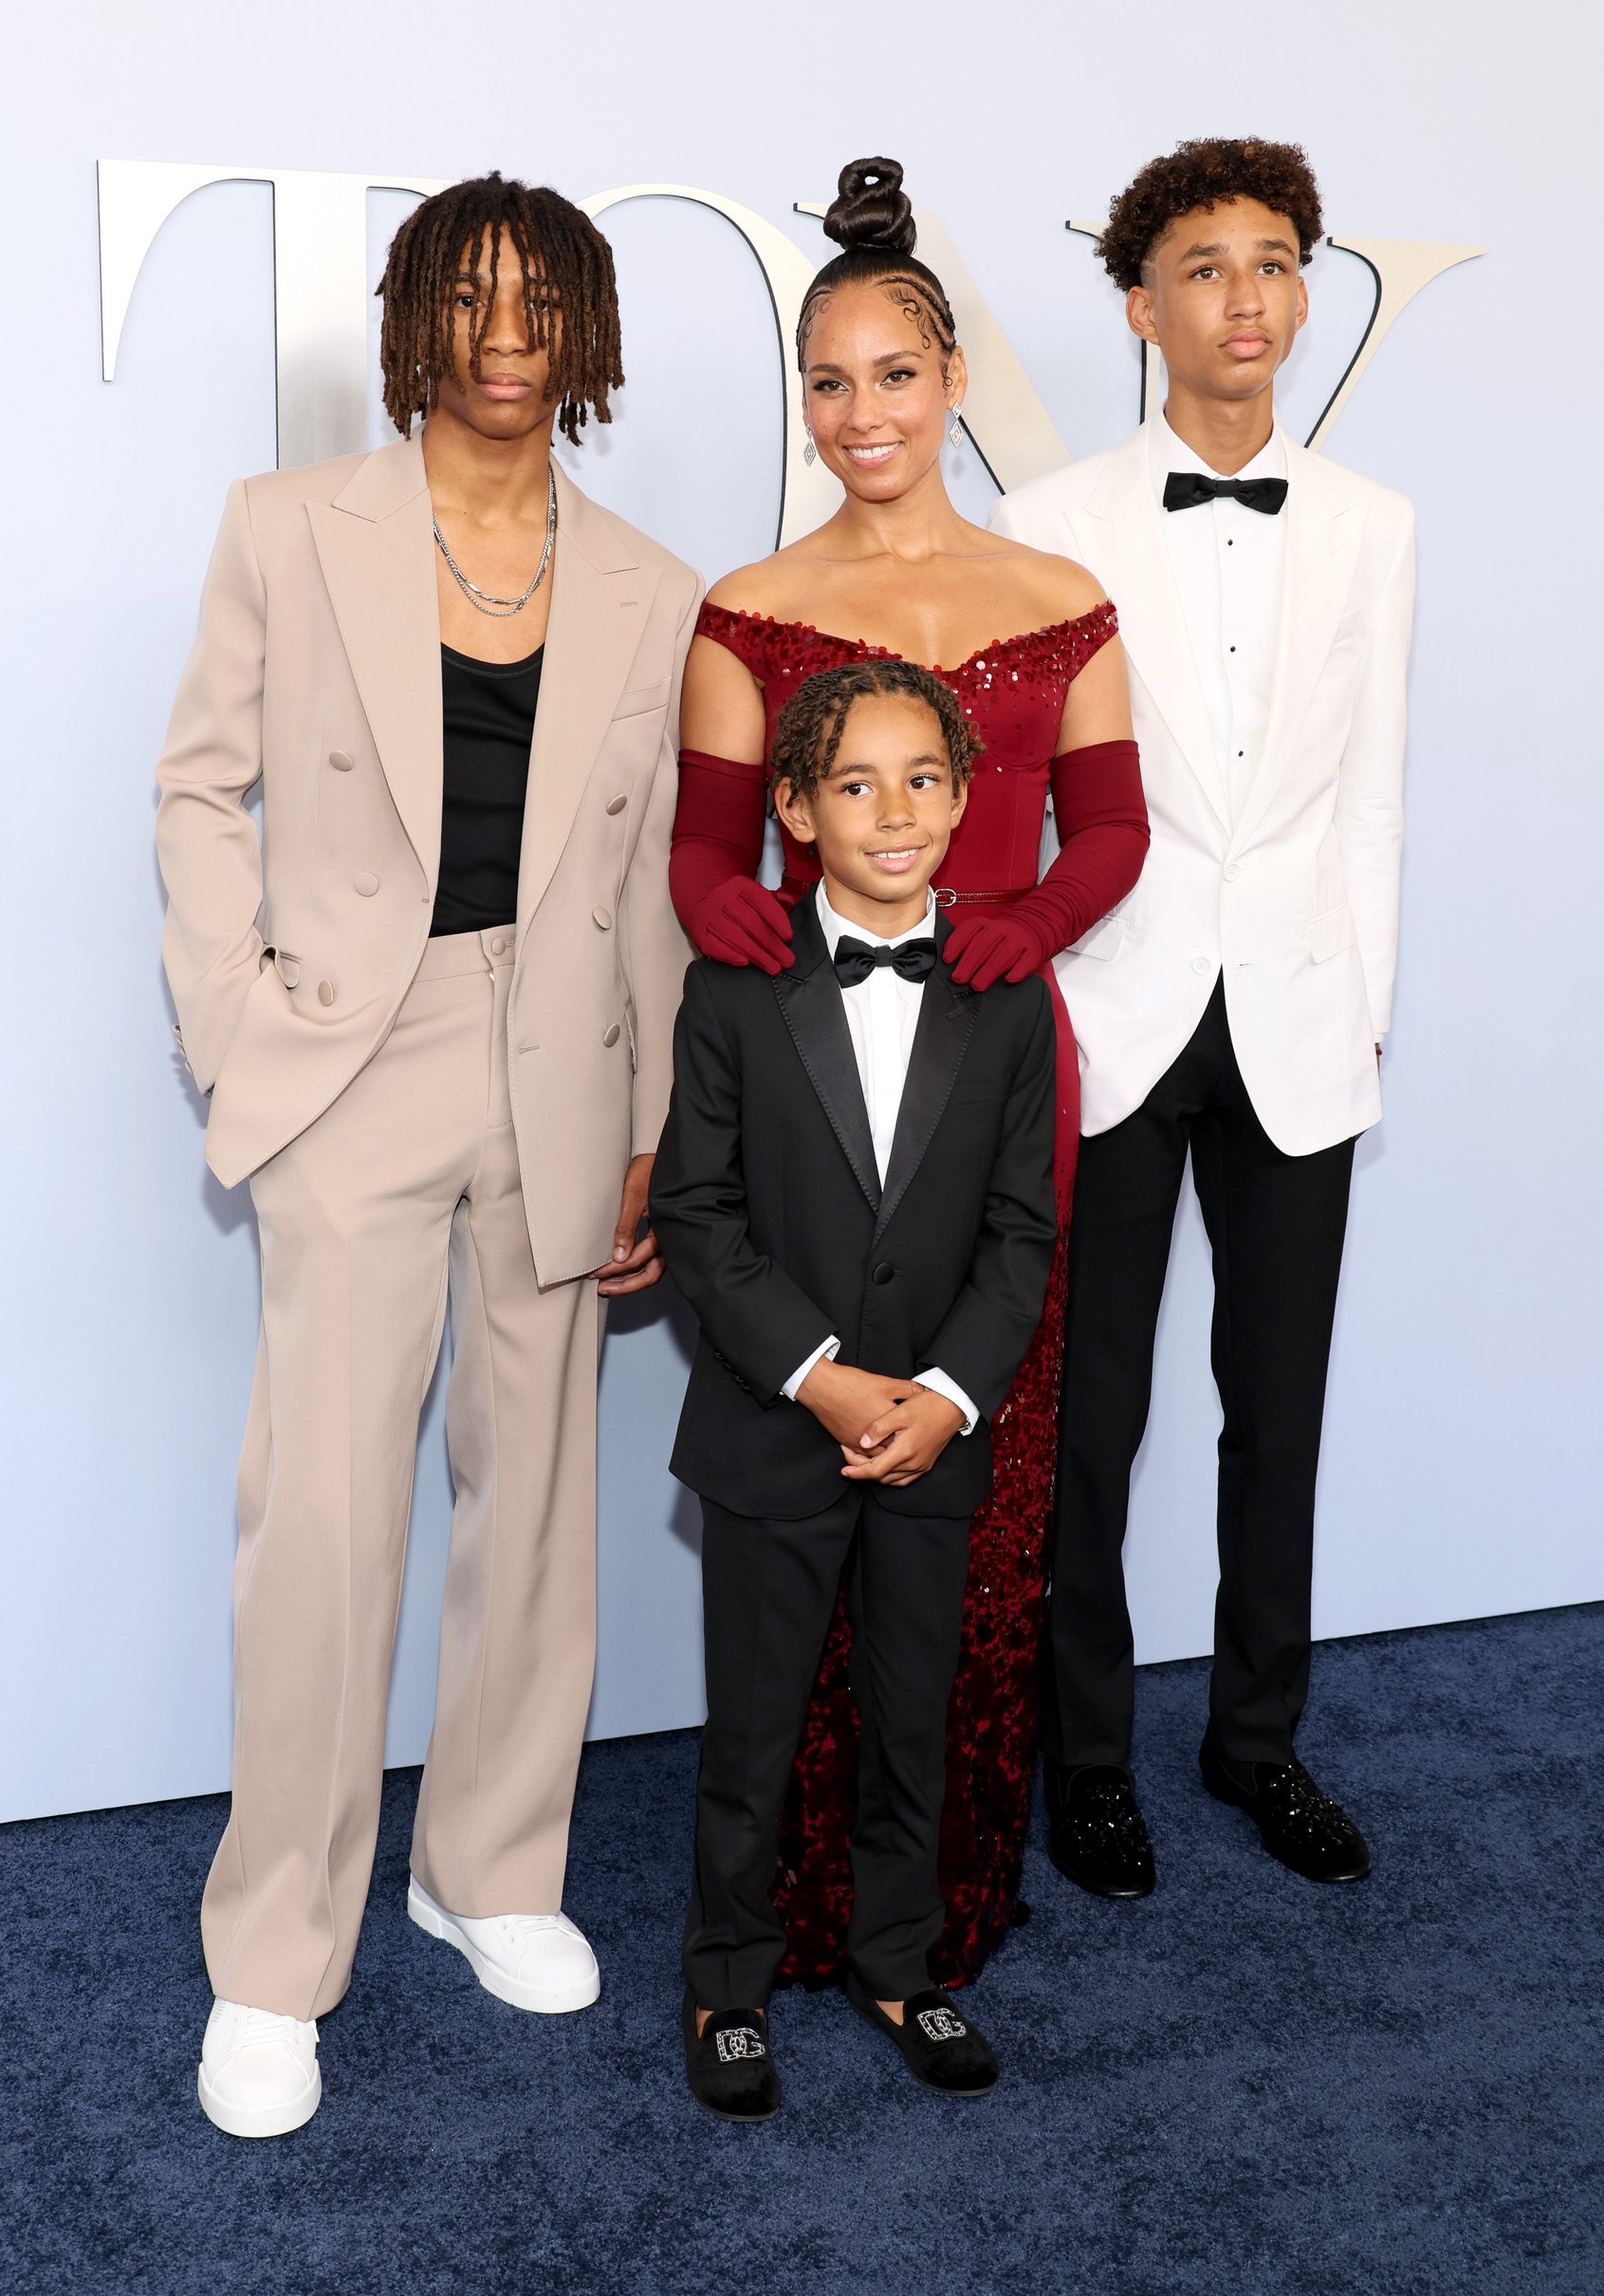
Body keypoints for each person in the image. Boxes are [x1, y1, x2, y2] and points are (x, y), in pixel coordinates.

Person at [157, 174, 701, 2137]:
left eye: (536, 300)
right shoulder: (287, 527)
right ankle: (272, 1957)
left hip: (555, 1059)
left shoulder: (648, 576)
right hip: (348, 1057)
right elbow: (199, 779)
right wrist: (241, 1013)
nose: (499, 332)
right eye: (464, 297)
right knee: (320, 1520)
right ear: (410, 319)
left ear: (583, 328)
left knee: (535, 1498)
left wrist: (652, 1127)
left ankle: (487, 1867)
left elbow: (644, 880)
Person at [668, 156, 1149, 1984]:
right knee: (804, 1502)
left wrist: (1028, 923)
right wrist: (738, 918)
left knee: (976, 1496)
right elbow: (708, 858)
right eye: (826, 381)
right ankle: (773, 1909)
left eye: (893, 373)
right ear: (802, 401)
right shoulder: (748, 603)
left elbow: (1111, 827)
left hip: (994, 1090)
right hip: (808, 1104)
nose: (860, 414)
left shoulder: (1059, 590)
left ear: (951, 381)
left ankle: (930, 1904)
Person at [992, 138, 1414, 1895]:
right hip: (1112, 1013)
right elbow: (1022, 800)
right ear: (1139, 302)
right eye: (1206, 266)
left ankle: (1257, 1742)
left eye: (1273, 263)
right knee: (1090, 1420)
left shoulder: (1378, 526)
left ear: (1303, 292)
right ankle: (1084, 1761)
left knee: (1281, 1407)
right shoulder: (1052, 521)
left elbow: (1370, 792)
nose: (1246, 297)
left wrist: (1360, 1017)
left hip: (1299, 1026)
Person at [652, 660, 1059, 2118]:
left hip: (935, 1440)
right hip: (779, 1431)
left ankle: (902, 1962)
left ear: (963, 798)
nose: (894, 813)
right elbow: (698, 1216)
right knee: (753, 1731)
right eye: (855, 784)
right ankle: (727, 1978)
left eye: (923, 780)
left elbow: (1023, 1230)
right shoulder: (733, 988)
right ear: (794, 808)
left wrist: (945, 1394)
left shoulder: (1006, 997)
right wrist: (822, 1379)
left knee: (914, 1715)